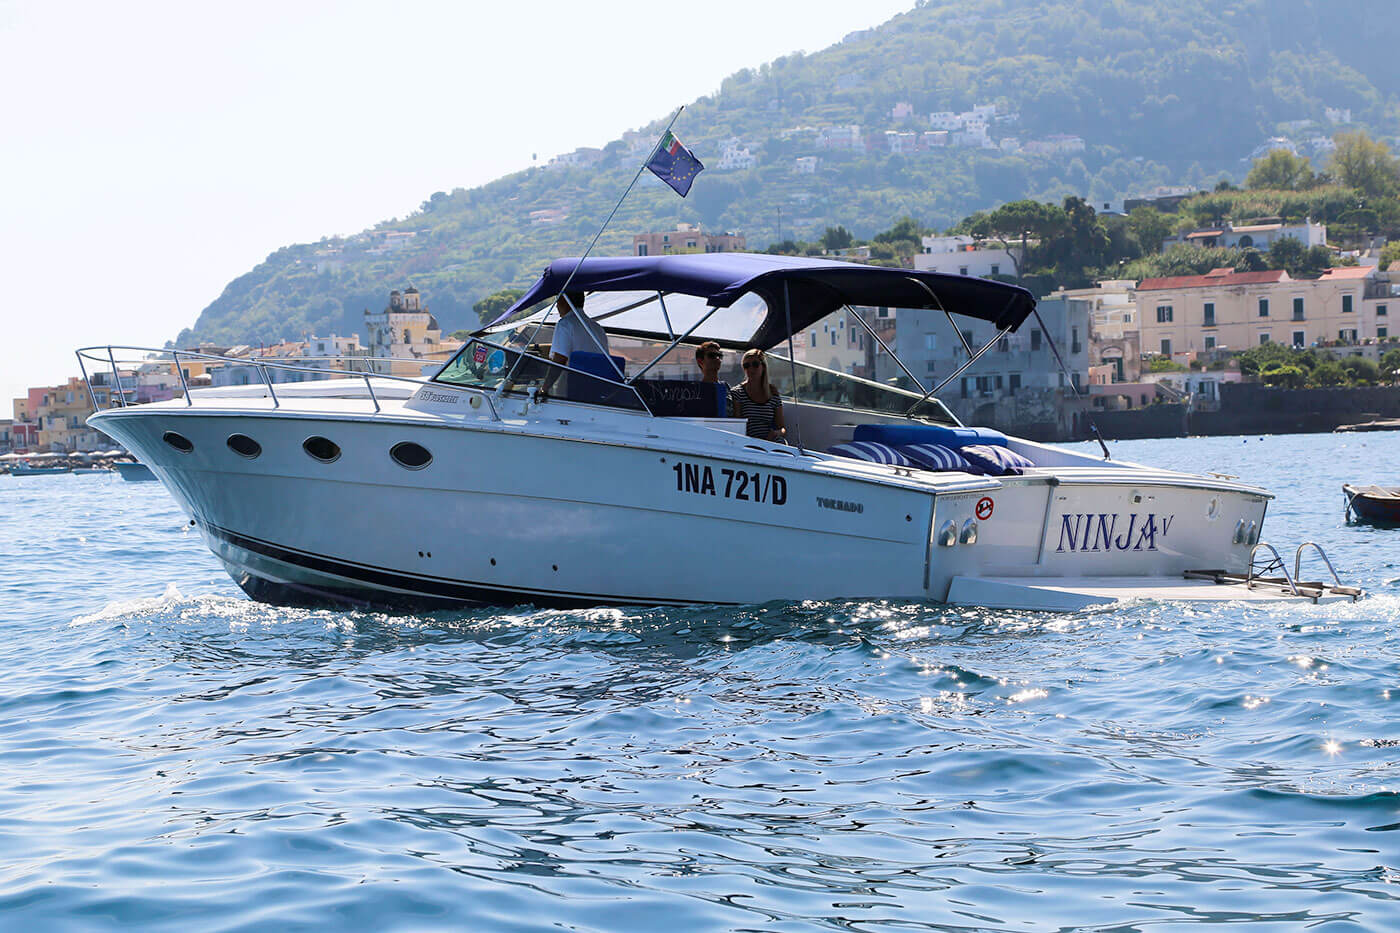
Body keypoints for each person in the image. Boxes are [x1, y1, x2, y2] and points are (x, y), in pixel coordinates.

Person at [540, 291, 610, 397]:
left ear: (564, 300)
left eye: (557, 301)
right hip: (597, 388)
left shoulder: (565, 324)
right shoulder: (597, 328)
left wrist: (544, 389)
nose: (557, 306)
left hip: (574, 387)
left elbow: (560, 360)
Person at [729, 348, 787, 442]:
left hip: (770, 442)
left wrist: (775, 433)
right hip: (746, 443)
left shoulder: (773, 393)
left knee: (781, 442)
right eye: (747, 366)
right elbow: (737, 427)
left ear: (763, 366)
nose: (751, 369)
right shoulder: (737, 393)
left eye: (755, 364)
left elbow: (782, 429)